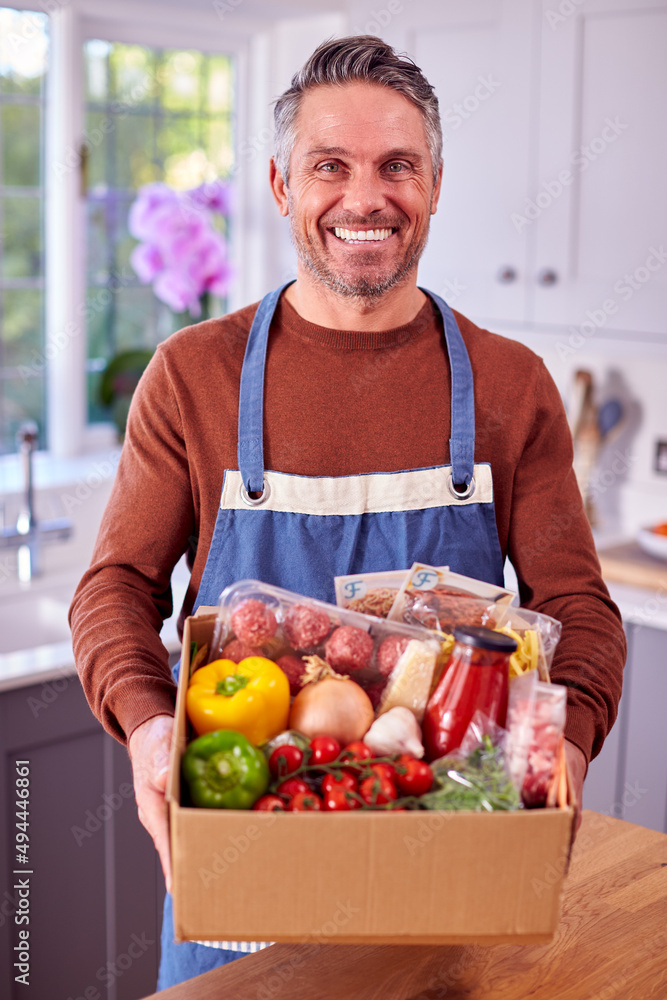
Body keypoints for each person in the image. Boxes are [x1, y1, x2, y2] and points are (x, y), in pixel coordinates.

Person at [70, 35, 626, 989]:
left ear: (435, 185)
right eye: (331, 166)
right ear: (284, 186)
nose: (365, 198)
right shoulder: (192, 377)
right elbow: (115, 586)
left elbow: (579, 608)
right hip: (242, 869)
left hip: (447, 877)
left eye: (396, 166)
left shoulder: (508, 385)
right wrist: (151, 727)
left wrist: (562, 740)